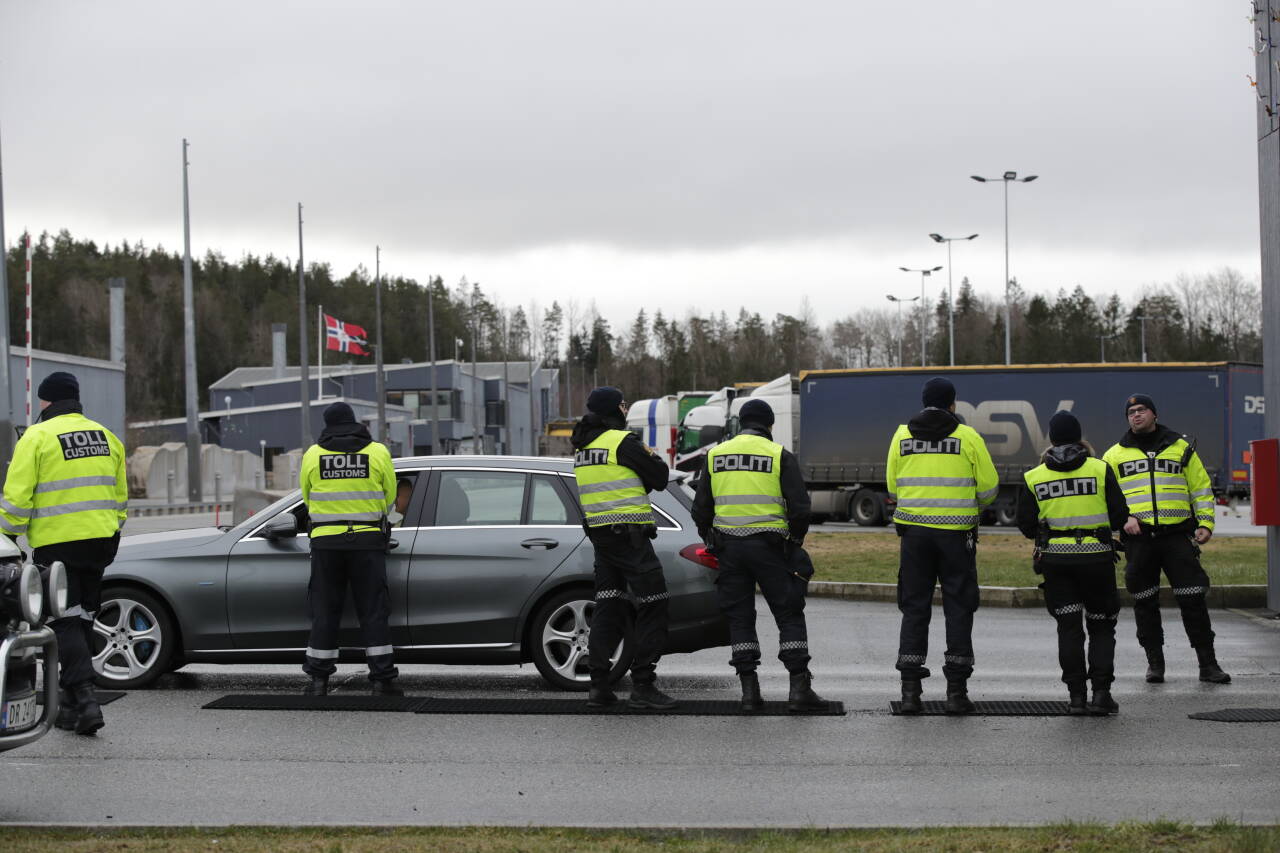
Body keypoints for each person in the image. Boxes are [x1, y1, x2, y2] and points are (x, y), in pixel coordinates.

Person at [0, 371, 127, 735]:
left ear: (45, 401)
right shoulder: (107, 437)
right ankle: (70, 705)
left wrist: (7, 539)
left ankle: (86, 699)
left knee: (62, 620)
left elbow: (16, 502)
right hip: (102, 542)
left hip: (59, 544)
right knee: (85, 616)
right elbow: (120, 499)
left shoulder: (37, 437)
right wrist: (112, 529)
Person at [691, 399, 826, 712]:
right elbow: (800, 508)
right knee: (788, 612)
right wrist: (794, 542)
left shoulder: (714, 455)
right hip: (770, 548)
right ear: (769, 425)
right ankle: (798, 688)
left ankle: (749, 691)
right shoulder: (778, 455)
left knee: (740, 616)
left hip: (730, 549)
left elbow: (700, 509)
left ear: (740, 423)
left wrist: (710, 538)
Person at [886, 377, 998, 715]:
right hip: (956, 537)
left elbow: (893, 484)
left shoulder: (901, 435)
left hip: (914, 537)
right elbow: (990, 486)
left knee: (915, 608)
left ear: (923, 402)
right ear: (953, 404)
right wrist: (970, 508)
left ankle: (909, 693)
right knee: (959, 608)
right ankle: (956, 693)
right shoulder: (967, 437)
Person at [1102, 394, 1229, 684]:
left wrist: (1206, 523)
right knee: (1144, 603)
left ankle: (1208, 665)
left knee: (1193, 599)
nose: (1136, 415)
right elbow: (1107, 497)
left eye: (1142, 410)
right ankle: (1155, 664)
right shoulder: (1114, 455)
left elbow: (1200, 489)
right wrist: (1123, 520)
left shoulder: (1180, 448)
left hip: (1177, 537)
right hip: (1139, 541)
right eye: (1131, 412)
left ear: (1154, 414)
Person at [570, 386, 677, 710]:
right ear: (613, 410)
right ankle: (643, 683)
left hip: (602, 538)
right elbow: (659, 476)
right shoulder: (622, 442)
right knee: (655, 603)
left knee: (609, 606)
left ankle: (599, 686)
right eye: (623, 405)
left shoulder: (582, 448)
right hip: (629, 537)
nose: (626, 409)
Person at [1017, 411, 1130, 715]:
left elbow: (1025, 523)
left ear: (1051, 439)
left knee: (1069, 628)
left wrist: (1049, 534)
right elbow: (1120, 516)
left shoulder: (1034, 475)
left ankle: (1076, 697)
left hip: (1056, 561)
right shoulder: (1099, 469)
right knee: (1102, 626)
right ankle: (1102, 694)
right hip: (1096, 560)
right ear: (1080, 436)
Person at [299, 402, 400, 695]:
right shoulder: (377, 451)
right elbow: (390, 495)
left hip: (326, 542)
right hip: (368, 540)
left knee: (325, 610)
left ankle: (318, 680)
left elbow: (307, 498)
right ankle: (382, 679)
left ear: (327, 424)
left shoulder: (313, 455)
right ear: (354, 422)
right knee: (373, 610)